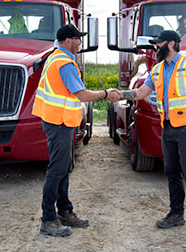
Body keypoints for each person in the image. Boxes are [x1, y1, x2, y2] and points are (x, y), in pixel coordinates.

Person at [116, 30, 186, 237]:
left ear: (170, 44)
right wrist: (119, 94)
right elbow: (141, 93)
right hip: (168, 128)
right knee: (171, 171)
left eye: (158, 44)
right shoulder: (157, 70)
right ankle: (176, 214)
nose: (154, 48)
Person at [32, 24, 119, 237]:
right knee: (57, 170)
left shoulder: (54, 58)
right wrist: (106, 93)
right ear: (68, 40)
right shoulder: (65, 63)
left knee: (64, 167)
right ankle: (48, 219)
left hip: (58, 121)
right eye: (78, 38)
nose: (81, 41)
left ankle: (64, 211)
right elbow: (81, 95)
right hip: (59, 122)